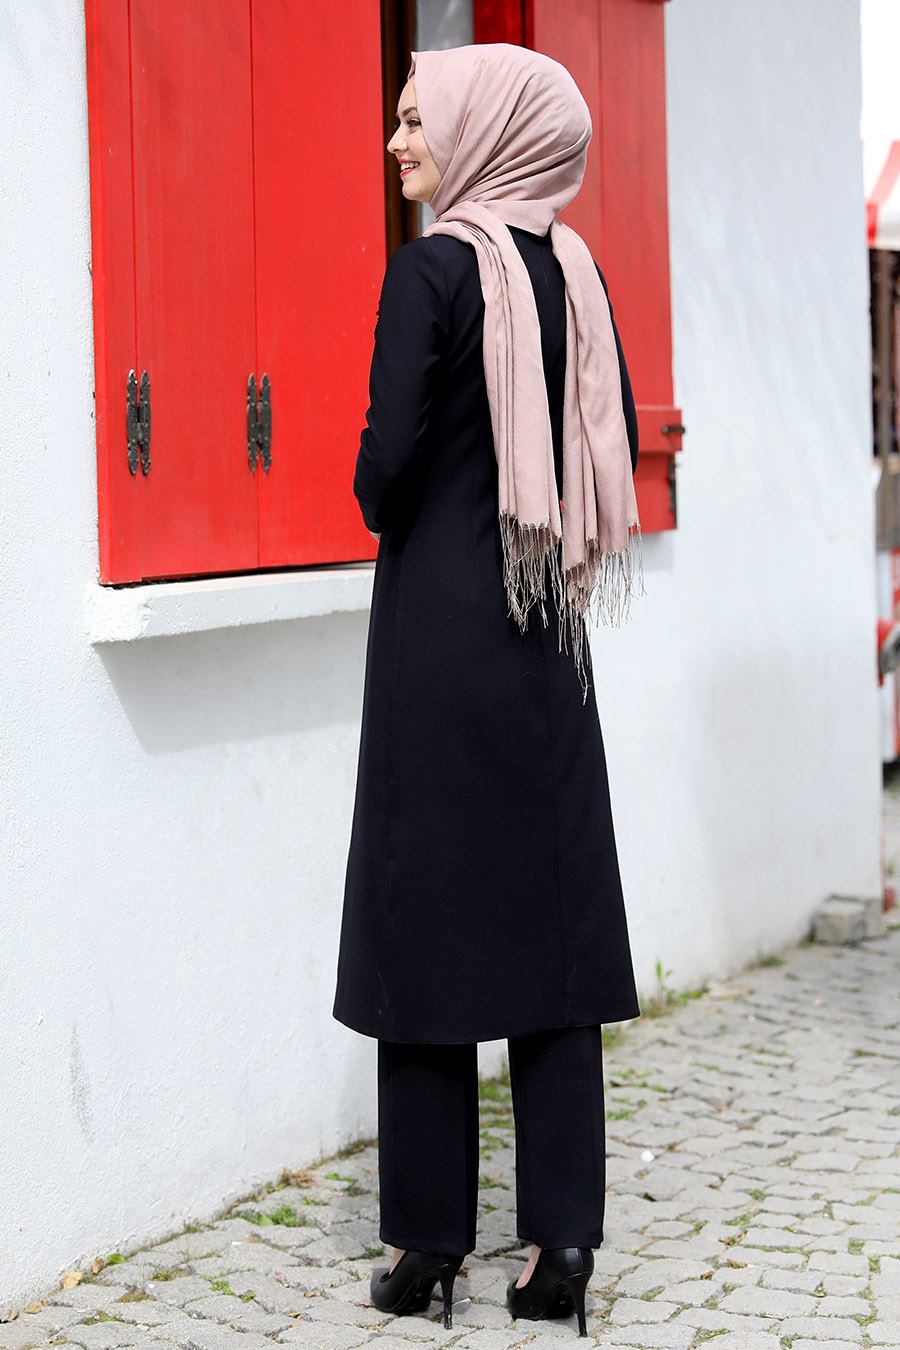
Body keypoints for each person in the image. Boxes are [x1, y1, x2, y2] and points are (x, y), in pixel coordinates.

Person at [333, 43, 642, 1338]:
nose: (399, 143)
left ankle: (426, 1252)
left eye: (416, 121)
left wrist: (368, 478)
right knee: (554, 940)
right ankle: (559, 1247)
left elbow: (388, 461)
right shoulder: (573, 273)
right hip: (544, 640)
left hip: (436, 645)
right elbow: (609, 429)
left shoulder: (433, 271)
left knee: (425, 931)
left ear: (478, 128)